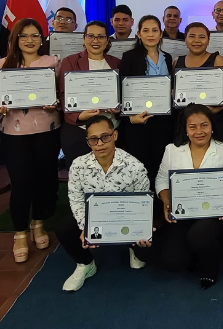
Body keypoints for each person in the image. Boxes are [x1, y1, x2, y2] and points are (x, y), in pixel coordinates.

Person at [0, 18, 62, 263]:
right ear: (15, 39)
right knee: (21, 183)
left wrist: (56, 103)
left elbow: (61, 95)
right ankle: (19, 233)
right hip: (14, 134)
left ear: (42, 39)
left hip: (47, 129)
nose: (30, 40)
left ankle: (38, 223)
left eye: (35, 35)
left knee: (45, 179)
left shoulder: (53, 63)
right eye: (24, 35)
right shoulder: (2, 65)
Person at [56, 115, 153, 292]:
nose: (100, 143)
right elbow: (76, 199)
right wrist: (86, 226)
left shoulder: (134, 166)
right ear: (88, 142)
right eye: (93, 139)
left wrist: (143, 228)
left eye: (105, 137)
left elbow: (144, 202)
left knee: (147, 251)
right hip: (95, 218)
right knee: (63, 228)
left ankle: (133, 248)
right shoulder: (78, 165)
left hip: (126, 219)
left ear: (114, 135)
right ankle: (86, 264)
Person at [154, 104, 223, 289]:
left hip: (214, 213)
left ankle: (210, 267)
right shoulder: (172, 151)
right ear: (185, 129)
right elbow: (161, 179)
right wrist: (166, 199)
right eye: (192, 127)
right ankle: (195, 252)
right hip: (183, 212)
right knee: (173, 263)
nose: (199, 131)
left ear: (212, 126)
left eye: (204, 125)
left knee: (199, 236)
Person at [119, 15, 176, 188]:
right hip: (138, 121)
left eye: (154, 30)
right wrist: (129, 117)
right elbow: (122, 90)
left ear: (161, 34)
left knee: (161, 163)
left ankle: (160, 206)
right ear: (138, 34)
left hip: (164, 121)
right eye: (146, 30)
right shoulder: (129, 57)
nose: (150, 34)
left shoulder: (167, 57)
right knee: (140, 165)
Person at [58, 21, 121, 170]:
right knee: (80, 176)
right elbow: (62, 95)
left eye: (100, 36)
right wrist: (78, 116)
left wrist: (118, 108)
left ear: (107, 40)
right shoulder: (70, 61)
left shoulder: (116, 63)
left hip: (110, 131)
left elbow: (123, 95)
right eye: (91, 36)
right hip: (79, 130)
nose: (95, 40)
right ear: (84, 38)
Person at [177, 22, 223, 136]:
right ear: (185, 40)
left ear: (208, 40)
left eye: (202, 37)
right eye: (192, 36)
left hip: (212, 122)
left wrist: (206, 113)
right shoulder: (177, 62)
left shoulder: (218, 60)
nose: (197, 40)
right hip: (183, 124)